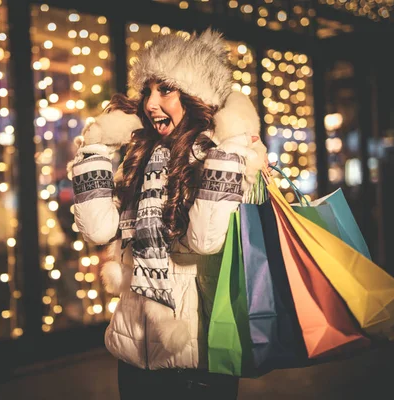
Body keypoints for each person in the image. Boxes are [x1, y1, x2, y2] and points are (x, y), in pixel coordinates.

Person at [68, 28, 267, 400]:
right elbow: (97, 231)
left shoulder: (220, 156)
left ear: (196, 96)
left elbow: (205, 240)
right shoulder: (137, 156)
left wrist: (231, 148)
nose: (151, 104)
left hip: (196, 357)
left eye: (166, 90)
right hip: (133, 352)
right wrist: (94, 148)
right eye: (148, 91)